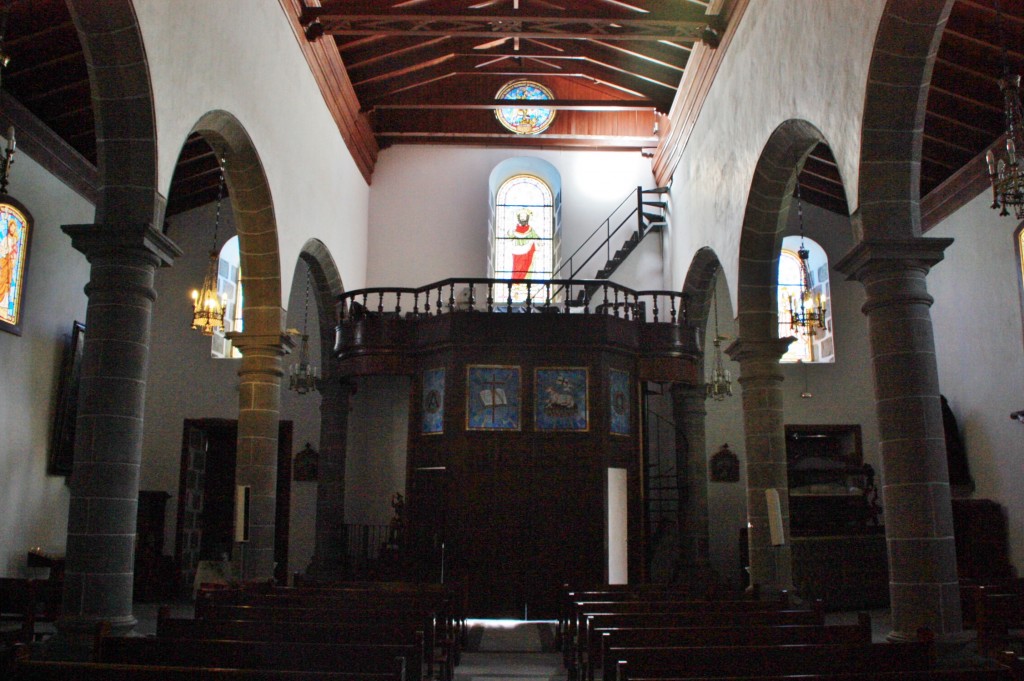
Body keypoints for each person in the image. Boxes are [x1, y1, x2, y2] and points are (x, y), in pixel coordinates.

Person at [507, 209, 538, 280]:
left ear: (527, 218)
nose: (523, 218)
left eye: (524, 216)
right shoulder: (515, 229)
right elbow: (510, 236)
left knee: (528, 266)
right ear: (518, 218)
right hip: (517, 252)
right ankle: (516, 283)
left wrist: (538, 242)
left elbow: (536, 238)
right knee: (517, 266)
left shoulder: (530, 230)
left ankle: (526, 283)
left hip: (528, 252)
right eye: (521, 216)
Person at [0, 217, 19, 309]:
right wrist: (6, 252)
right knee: (2, 280)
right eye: (12, 227)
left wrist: (13, 258)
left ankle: (4, 302)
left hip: (10, 264)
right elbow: (1, 249)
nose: (13, 229)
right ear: (9, 228)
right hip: (5, 262)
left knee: (8, 281)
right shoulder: (5, 239)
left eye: (14, 228)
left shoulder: (14, 240)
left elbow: (15, 252)